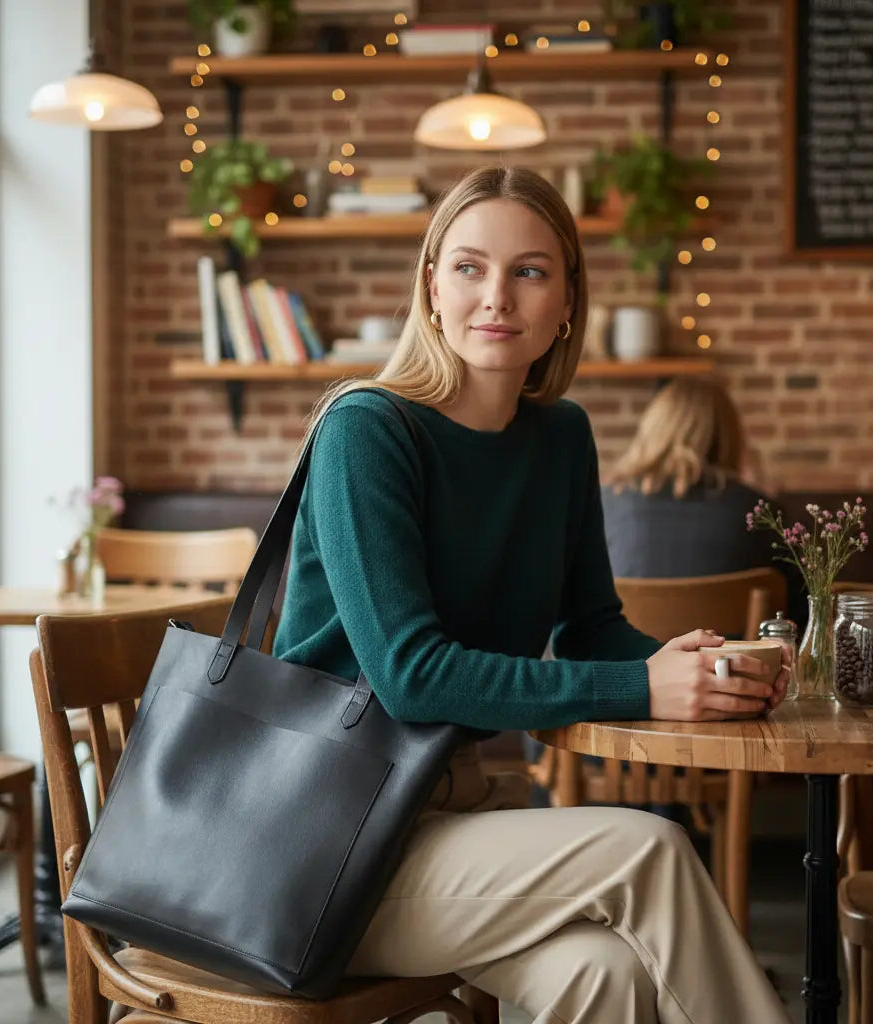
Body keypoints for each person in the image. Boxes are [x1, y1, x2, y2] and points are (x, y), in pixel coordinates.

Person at [274, 166, 789, 1023]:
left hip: (464, 813)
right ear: (431, 287)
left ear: (567, 302)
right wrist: (643, 687)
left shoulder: (561, 437)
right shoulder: (365, 430)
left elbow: (592, 628)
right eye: (469, 267)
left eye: (530, 271)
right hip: (330, 843)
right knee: (651, 849)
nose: (497, 297)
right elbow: (411, 677)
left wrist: (699, 668)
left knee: (603, 976)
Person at [601, 377, 804, 626]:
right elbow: (801, 613)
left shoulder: (604, 504)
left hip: (629, 651)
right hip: (727, 653)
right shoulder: (759, 511)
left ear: (652, 431)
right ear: (728, 437)